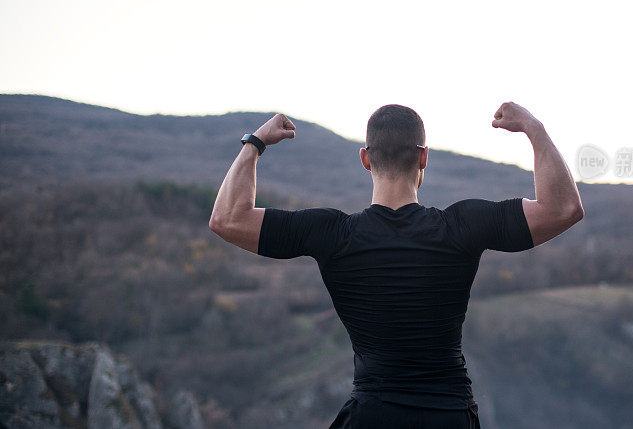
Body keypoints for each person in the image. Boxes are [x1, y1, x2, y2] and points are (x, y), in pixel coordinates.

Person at [209, 102, 584, 429]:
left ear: (365, 159)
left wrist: (255, 143)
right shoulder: (461, 226)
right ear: (424, 158)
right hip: (449, 414)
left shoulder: (331, 234)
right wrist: (533, 128)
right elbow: (563, 208)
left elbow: (227, 219)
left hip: (373, 416)